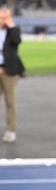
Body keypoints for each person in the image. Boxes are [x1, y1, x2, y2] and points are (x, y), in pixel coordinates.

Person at [0, 8, 25, 143]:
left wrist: (11, 25)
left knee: (9, 101)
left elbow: (17, 41)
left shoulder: (12, 31)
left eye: (4, 18)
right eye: (0, 18)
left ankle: (10, 130)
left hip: (9, 71)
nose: (2, 20)